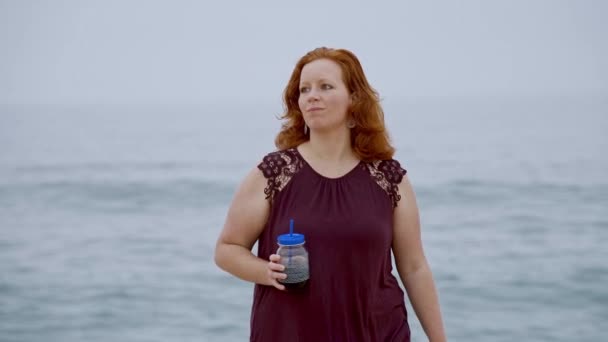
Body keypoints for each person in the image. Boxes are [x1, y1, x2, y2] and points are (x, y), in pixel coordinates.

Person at [214, 47, 446, 342]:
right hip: (289, 333)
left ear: (354, 99)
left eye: (325, 86)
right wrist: (266, 272)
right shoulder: (273, 173)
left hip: (378, 332)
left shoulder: (389, 178)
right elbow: (227, 249)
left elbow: (414, 268)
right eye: (304, 89)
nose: (312, 95)